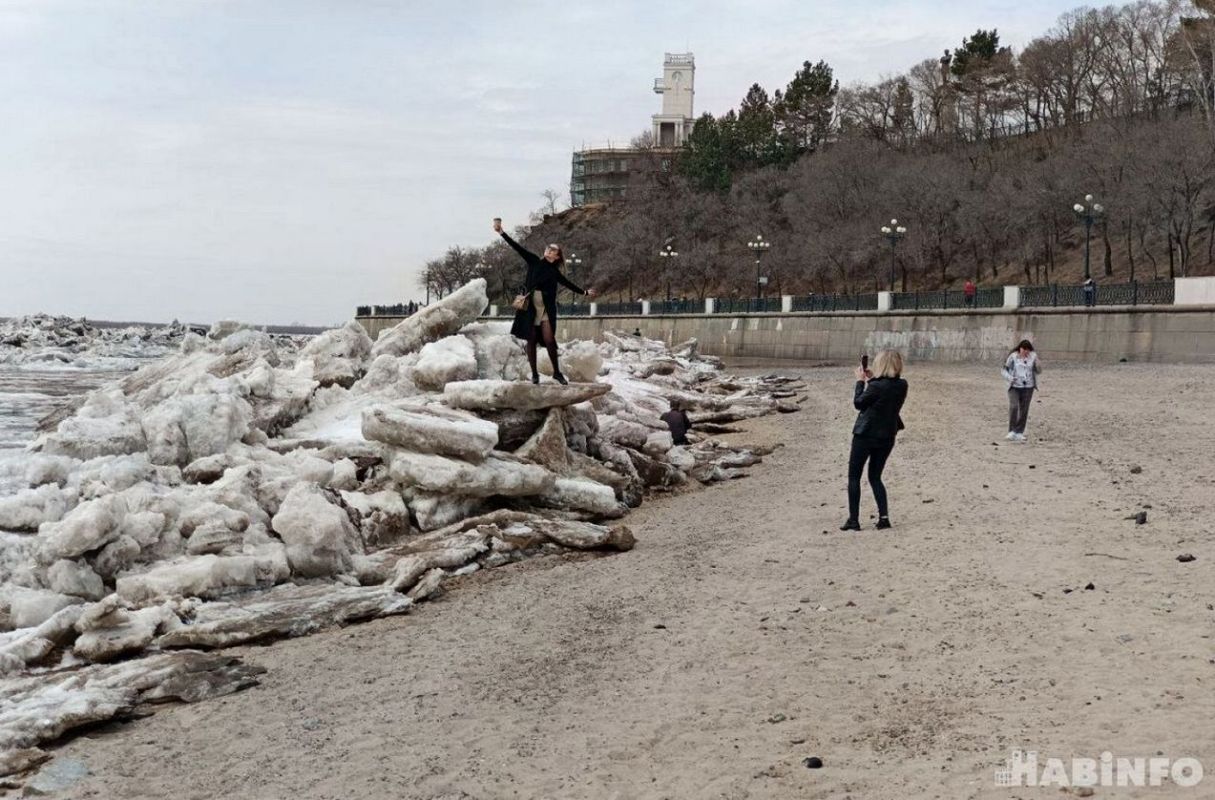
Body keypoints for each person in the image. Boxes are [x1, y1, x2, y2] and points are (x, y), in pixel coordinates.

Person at [494, 218, 596, 384]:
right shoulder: (534, 261)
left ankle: (557, 372)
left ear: (556, 256)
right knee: (531, 340)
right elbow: (517, 248)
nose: (549, 250)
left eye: (553, 250)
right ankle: (535, 374)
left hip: (546, 308)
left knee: (549, 340)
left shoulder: (554, 272)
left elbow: (568, 284)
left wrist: (584, 292)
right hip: (530, 306)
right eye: (548, 248)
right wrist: (502, 233)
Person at [841, 350, 908, 532]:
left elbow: (859, 403)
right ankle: (884, 518)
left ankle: (854, 520)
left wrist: (860, 381)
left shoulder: (876, 387)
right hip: (887, 435)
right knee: (875, 477)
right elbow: (884, 394)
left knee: (854, 477)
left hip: (865, 434)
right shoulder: (902, 385)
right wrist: (871, 380)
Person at [1002, 339, 1041, 442]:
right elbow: (1004, 370)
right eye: (1024, 349)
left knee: (1024, 409)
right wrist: (1010, 378)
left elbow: (1039, 371)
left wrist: (1038, 364)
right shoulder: (1013, 357)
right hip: (1014, 386)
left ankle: (1019, 432)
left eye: (1028, 350)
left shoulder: (1033, 357)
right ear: (1020, 348)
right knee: (1014, 406)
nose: (1026, 352)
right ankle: (1011, 431)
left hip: (1028, 386)